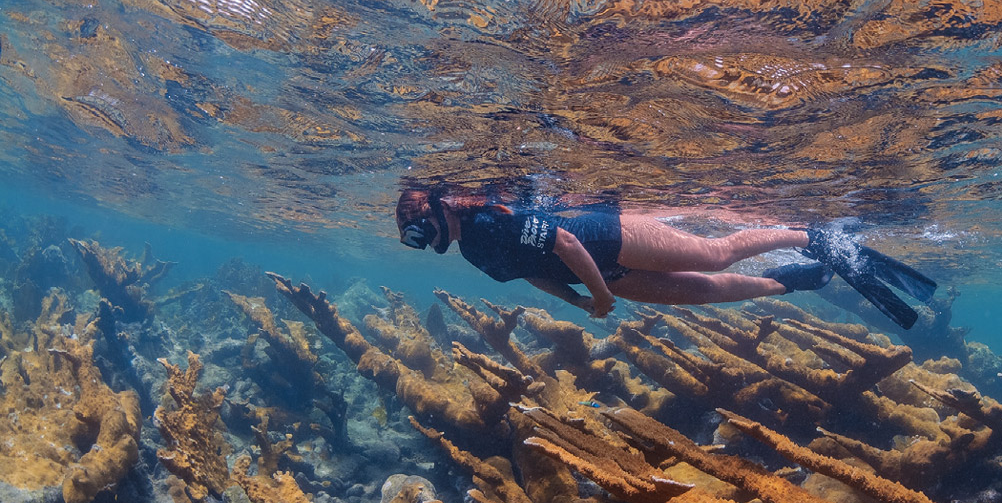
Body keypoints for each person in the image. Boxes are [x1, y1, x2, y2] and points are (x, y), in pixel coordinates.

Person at [395, 188, 936, 328]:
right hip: (601, 275)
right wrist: (581, 304)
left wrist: (600, 295)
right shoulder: (471, 252)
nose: (420, 242)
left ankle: (808, 236)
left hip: (604, 241)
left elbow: (562, 244)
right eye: (411, 239)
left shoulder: (491, 217)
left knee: (715, 256)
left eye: (416, 230)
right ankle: (792, 282)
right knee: (705, 294)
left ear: (437, 209)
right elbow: (533, 275)